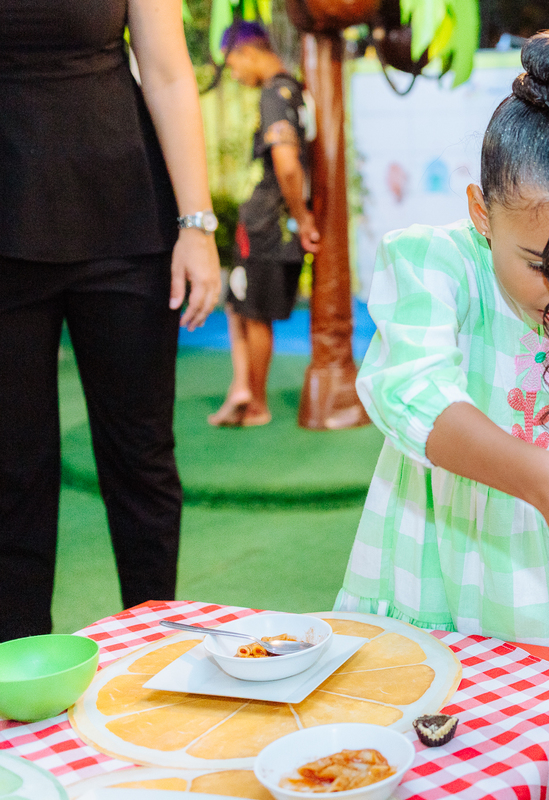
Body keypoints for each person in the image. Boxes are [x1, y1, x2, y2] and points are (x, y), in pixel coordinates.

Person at [337, 28, 549, 715]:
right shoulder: (436, 267)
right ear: (481, 213)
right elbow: (415, 395)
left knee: (545, 736)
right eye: (543, 265)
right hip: (431, 564)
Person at [0, 0, 222, 641]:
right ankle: (21, 677)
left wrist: (197, 224)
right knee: (13, 470)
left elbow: (168, 70)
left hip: (127, 215)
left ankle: (150, 654)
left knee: (140, 460)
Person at [207, 22, 320, 428]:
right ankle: (243, 389)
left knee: (253, 312)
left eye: (232, 63)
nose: (234, 74)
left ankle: (255, 403)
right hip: (274, 223)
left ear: (247, 52)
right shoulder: (295, 89)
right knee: (241, 305)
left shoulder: (274, 94)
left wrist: (303, 218)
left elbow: (287, 162)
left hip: (269, 225)